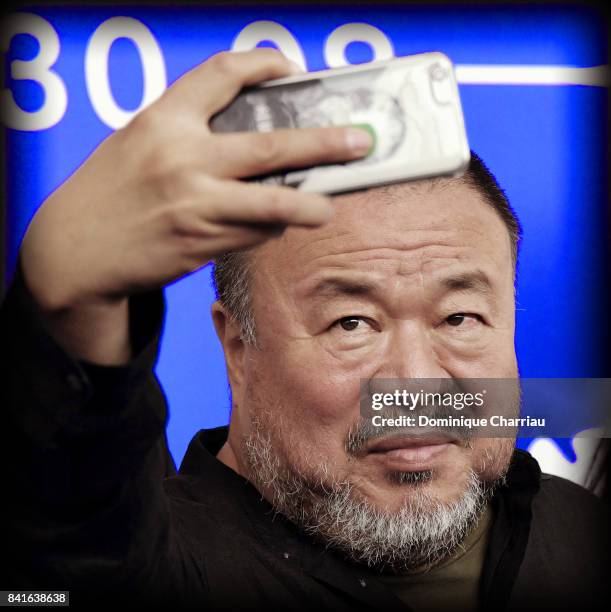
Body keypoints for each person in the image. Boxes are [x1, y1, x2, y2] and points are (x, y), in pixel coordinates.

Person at [0, 48, 607, 611]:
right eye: (352, 324)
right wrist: (72, 303)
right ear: (237, 349)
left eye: (460, 318)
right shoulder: (158, 569)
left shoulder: (585, 529)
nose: (417, 382)